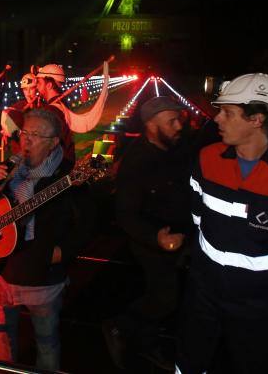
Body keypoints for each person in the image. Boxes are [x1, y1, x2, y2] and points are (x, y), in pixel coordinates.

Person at [177, 74, 268, 374]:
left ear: (257, 119)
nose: (217, 118)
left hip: (257, 302)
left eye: (227, 113)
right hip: (201, 290)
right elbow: (196, 214)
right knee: (189, 361)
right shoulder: (207, 159)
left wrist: (262, 275)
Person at [0, 108, 96, 370]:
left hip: (43, 280)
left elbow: (88, 225)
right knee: (1, 338)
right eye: (24, 132)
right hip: (4, 273)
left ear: (53, 142)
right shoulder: (10, 166)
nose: (26, 139)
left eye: (35, 135)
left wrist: (62, 252)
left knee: (45, 344)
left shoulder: (68, 176)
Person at [103, 96, 194, 371]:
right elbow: (126, 214)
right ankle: (119, 327)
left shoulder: (177, 147)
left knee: (173, 296)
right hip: (152, 241)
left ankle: (147, 343)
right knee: (165, 298)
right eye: (172, 121)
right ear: (152, 126)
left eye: (179, 119)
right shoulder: (136, 162)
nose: (179, 126)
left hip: (182, 235)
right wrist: (157, 238)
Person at [34, 64, 76, 163]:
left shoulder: (52, 110)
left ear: (49, 85)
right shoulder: (60, 104)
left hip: (56, 166)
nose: (37, 87)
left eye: (39, 83)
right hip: (63, 162)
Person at [0, 72, 40, 156]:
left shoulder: (42, 107)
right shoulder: (18, 106)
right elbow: (6, 117)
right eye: (25, 89)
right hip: (19, 152)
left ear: (37, 88)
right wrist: (6, 129)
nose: (28, 93)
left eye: (31, 88)